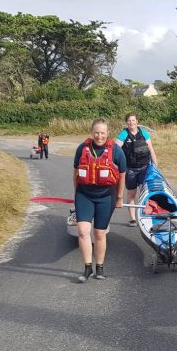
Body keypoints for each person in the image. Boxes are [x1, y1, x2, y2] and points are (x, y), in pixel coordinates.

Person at [73, 119, 126, 282]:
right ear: (92, 132)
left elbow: (122, 174)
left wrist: (119, 197)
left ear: (107, 133)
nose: (99, 136)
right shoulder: (82, 148)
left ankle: (100, 267)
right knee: (82, 231)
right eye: (96, 132)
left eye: (102, 133)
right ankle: (87, 267)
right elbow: (75, 173)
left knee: (99, 233)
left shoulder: (116, 150)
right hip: (84, 195)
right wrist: (76, 195)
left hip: (106, 197)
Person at [114, 113, 159, 226]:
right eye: (129, 121)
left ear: (137, 121)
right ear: (126, 123)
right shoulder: (123, 134)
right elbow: (114, 151)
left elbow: (151, 149)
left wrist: (155, 166)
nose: (131, 123)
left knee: (145, 194)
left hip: (145, 168)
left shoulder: (144, 133)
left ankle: (147, 217)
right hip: (131, 170)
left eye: (133, 120)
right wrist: (118, 165)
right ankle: (133, 219)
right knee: (131, 195)